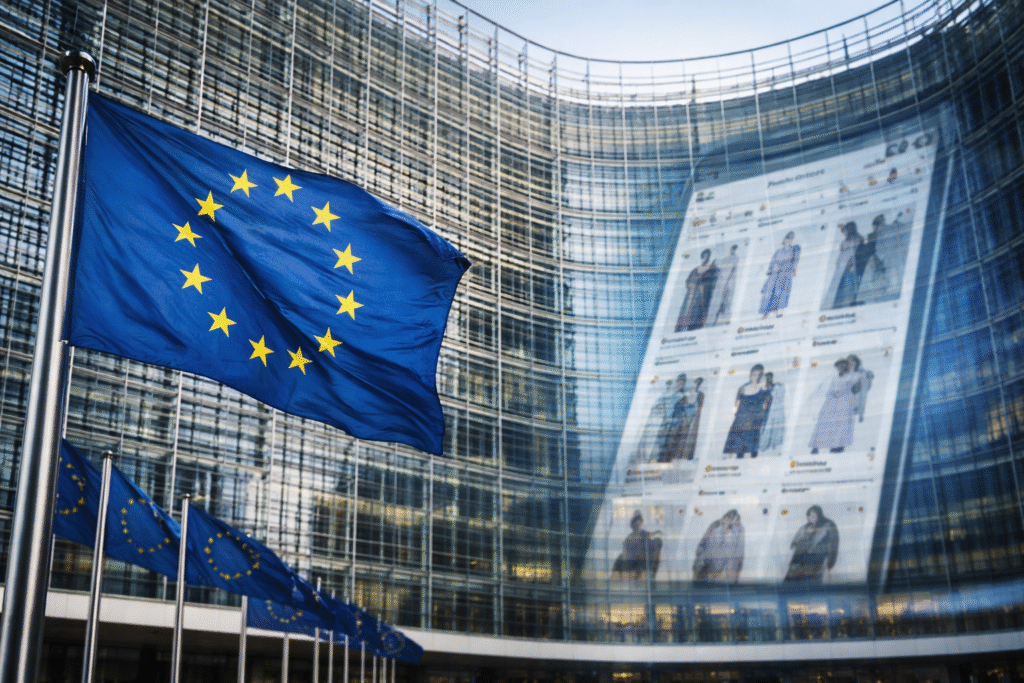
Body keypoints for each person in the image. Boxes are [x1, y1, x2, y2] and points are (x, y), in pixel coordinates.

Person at [808, 358, 860, 454]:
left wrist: (841, 392)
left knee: (841, 424)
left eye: (843, 365)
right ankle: (817, 446)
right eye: (839, 366)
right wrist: (833, 394)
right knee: (826, 423)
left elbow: (852, 384)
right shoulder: (834, 378)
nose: (841, 368)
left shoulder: (851, 376)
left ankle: (838, 445)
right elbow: (830, 391)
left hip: (844, 403)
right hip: (832, 403)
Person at [723, 364, 772, 458]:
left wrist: (761, 418)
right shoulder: (742, 389)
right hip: (740, 424)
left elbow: (766, 405)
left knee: (752, 452)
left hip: (754, 424)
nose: (756, 377)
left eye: (759, 375)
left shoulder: (764, 390)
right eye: (754, 374)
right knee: (738, 451)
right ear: (750, 375)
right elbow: (736, 405)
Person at [784, 505, 839, 583]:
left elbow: (834, 545)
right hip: (799, 561)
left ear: (819, 516)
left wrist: (830, 563)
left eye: (813, 516)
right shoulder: (806, 527)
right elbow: (796, 540)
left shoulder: (828, 526)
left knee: (811, 583)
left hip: (816, 562)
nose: (810, 519)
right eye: (809, 517)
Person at [693, 510, 744, 584]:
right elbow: (702, 547)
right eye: (727, 519)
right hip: (710, 573)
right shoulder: (715, 527)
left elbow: (739, 556)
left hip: (723, 577)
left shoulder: (738, 530)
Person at [632, 379, 676, 464]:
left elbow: (668, 412)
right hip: (654, 422)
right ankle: (643, 458)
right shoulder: (661, 396)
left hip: (661, 424)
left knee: (655, 444)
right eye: (667, 385)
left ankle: (649, 460)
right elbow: (654, 407)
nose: (668, 386)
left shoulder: (672, 397)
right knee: (646, 442)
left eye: (670, 385)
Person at [823, 222, 864, 310]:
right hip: (841, 267)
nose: (844, 233)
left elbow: (854, 253)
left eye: (845, 231)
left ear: (849, 230)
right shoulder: (845, 241)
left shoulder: (857, 239)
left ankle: (846, 305)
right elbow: (842, 253)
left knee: (848, 287)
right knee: (838, 288)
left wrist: (851, 265)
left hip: (850, 267)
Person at [675, 249, 719, 331]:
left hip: (701, 299)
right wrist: (691, 287)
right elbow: (688, 281)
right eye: (704, 257)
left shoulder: (710, 269)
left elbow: (711, 281)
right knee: (686, 315)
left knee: (696, 317)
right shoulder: (695, 270)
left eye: (707, 257)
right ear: (701, 257)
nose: (705, 259)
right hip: (691, 297)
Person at [759, 232, 800, 318]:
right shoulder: (778, 251)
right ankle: (765, 313)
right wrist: (769, 270)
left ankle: (778, 311)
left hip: (785, 274)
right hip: (775, 274)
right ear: (785, 239)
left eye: (791, 238)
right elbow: (772, 261)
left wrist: (794, 269)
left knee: (781, 293)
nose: (789, 240)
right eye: (788, 238)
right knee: (769, 292)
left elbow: (796, 260)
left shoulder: (794, 250)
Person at [614, 511, 663, 581]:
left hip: (642, 562)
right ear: (633, 525)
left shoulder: (644, 534)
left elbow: (653, 543)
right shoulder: (630, 538)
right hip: (635, 563)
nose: (639, 524)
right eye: (637, 522)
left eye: (640, 522)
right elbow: (627, 554)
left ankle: (649, 575)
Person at [707, 244, 739, 326]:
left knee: (724, 302)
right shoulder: (727, 258)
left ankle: (721, 320)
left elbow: (733, 270)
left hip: (727, 284)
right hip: (723, 283)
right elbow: (720, 266)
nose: (732, 250)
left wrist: (727, 282)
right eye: (732, 248)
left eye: (733, 249)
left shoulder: (735, 258)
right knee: (719, 302)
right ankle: (714, 320)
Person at [676, 377, 705, 461]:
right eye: (696, 382)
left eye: (699, 383)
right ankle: (679, 456)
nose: (697, 384)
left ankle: (687, 457)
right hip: (685, 419)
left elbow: (700, 407)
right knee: (682, 438)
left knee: (690, 438)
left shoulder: (700, 394)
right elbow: (681, 406)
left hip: (693, 419)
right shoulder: (687, 395)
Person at [757, 372, 786, 454]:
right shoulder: (764, 389)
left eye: (770, 377)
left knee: (774, 428)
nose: (769, 379)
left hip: (775, 411)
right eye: (767, 378)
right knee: (766, 428)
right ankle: (764, 446)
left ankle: (773, 445)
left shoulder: (777, 387)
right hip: (767, 412)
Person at [847, 354, 873, 423]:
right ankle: (855, 411)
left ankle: (860, 414)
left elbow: (869, 377)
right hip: (856, 388)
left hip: (863, 387)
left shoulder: (863, 371)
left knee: (862, 400)